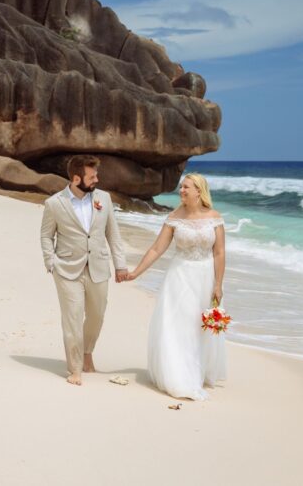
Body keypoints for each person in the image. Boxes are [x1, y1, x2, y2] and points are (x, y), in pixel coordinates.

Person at [126, 172, 227, 399]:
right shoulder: (174, 217)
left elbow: (219, 253)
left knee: (199, 327)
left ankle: (198, 370)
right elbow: (156, 249)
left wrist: (218, 285)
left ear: (199, 191)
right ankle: (180, 375)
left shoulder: (214, 218)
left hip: (206, 277)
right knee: (180, 325)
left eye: (186, 187)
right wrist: (136, 272)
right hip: (180, 276)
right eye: (181, 187)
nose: (181, 190)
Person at [40, 155, 127, 385]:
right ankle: (75, 368)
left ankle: (88, 351)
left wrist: (120, 265)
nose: (97, 180)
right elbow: (46, 235)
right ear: (76, 178)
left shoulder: (104, 199)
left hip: (98, 266)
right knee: (73, 317)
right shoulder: (54, 203)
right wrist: (51, 262)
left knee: (97, 314)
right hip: (67, 269)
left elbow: (113, 234)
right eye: (92, 177)